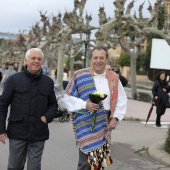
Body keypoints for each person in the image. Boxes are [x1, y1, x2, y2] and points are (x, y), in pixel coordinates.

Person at [63, 46, 127, 170]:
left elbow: (122, 99)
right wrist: (85, 105)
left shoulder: (114, 78)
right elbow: (67, 97)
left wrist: (116, 118)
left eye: (101, 58)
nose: (98, 60)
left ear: (107, 59)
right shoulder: (79, 75)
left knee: (100, 161)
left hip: (105, 123)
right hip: (85, 122)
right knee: (86, 162)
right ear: (91, 59)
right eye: (95, 57)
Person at [0, 48, 59, 170]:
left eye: (39, 59)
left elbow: (53, 105)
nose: (36, 61)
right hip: (17, 132)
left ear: (42, 62)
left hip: (38, 132)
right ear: (26, 60)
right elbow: (3, 105)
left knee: (34, 167)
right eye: (33, 58)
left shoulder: (48, 82)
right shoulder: (14, 80)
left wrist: (47, 117)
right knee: (14, 166)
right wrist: (1, 130)